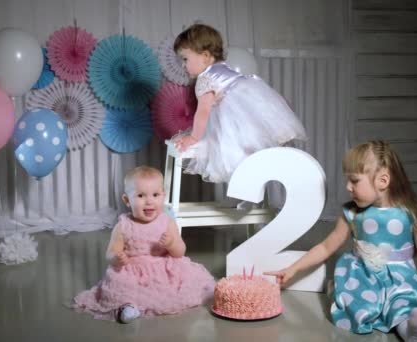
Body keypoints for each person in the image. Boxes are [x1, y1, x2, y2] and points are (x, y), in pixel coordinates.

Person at [264, 140, 417, 341]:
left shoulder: (410, 212)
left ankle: (413, 328)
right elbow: (327, 246)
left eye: (354, 180)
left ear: (383, 181)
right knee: (355, 304)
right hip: (362, 277)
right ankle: (352, 297)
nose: (348, 187)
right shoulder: (352, 213)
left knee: (403, 304)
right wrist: (293, 269)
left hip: (400, 279)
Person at [73, 166, 215, 323]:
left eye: (155, 195)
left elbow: (180, 252)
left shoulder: (167, 222)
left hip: (164, 267)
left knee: (182, 279)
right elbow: (111, 252)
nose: (149, 201)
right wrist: (117, 258)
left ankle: (193, 293)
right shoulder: (123, 226)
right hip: (134, 270)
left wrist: (171, 244)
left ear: (163, 196)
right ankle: (128, 307)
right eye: (140, 195)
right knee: (122, 284)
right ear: (127, 200)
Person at [172, 23, 307, 184]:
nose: (183, 65)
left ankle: (243, 183)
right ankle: (251, 181)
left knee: (229, 147)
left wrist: (194, 138)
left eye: (185, 59)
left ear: (205, 56)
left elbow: (203, 112)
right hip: (250, 112)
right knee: (245, 139)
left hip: (235, 118)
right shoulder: (223, 68)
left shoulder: (205, 79)